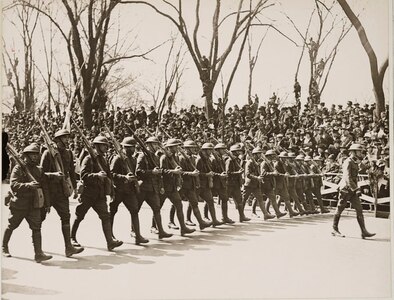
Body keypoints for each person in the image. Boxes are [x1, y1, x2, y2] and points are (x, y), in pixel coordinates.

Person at [2, 143, 63, 262]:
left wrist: (47, 204)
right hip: (20, 204)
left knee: (37, 227)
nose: (34, 157)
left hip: (34, 204)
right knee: (12, 225)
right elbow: (14, 185)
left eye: (36, 155)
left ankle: (38, 253)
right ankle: (4, 247)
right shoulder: (18, 168)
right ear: (26, 156)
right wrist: (28, 185)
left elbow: (44, 187)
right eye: (32, 155)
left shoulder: (38, 169)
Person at [70, 136, 123, 251]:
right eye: (104, 145)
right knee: (79, 216)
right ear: (97, 146)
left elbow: (109, 176)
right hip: (88, 193)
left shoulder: (103, 159)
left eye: (106, 145)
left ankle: (110, 242)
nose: (106, 147)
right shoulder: (88, 159)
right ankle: (71, 238)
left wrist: (112, 191)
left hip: (100, 194)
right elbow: (83, 175)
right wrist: (97, 175)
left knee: (105, 216)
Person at [40, 129, 84, 257]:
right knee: (39, 219)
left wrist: (75, 188)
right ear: (57, 140)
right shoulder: (47, 153)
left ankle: (68, 248)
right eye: (64, 138)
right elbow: (41, 174)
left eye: (67, 137)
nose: (67, 140)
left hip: (61, 192)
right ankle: (38, 250)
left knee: (66, 217)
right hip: (48, 191)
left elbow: (71, 171)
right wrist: (53, 175)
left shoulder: (68, 153)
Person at [109, 137, 149, 245]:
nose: (133, 149)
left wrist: (136, 180)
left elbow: (135, 173)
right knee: (112, 212)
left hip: (129, 190)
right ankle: (110, 236)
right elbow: (111, 174)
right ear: (125, 148)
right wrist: (124, 177)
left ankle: (137, 235)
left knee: (134, 211)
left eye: (133, 147)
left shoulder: (133, 159)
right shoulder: (117, 158)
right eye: (131, 147)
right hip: (118, 189)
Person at [332, 143, 376, 239]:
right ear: (353, 152)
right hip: (346, 189)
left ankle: (363, 231)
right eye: (359, 151)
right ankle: (334, 229)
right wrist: (355, 188)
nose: (361, 152)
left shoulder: (355, 161)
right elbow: (347, 177)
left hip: (352, 190)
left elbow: (359, 171)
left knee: (359, 209)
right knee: (340, 209)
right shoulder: (348, 161)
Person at [135, 136, 173, 239]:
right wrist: (151, 172)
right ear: (149, 145)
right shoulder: (142, 156)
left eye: (157, 144)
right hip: (143, 187)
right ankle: (134, 231)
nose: (157, 146)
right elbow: (138, 172)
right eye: (155, 144)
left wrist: (161, 186)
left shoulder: (155, 157)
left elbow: (159, 173)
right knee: (136, 209)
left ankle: (161, 231)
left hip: (153, 188)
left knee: (157, 208)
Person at [156, 138, 195, 236]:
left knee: (179, 205)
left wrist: (177, 171)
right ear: (170, 147)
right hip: (164, 187)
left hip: (173, 186)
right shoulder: (164, 157)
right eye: (175, 146)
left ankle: (183, 228)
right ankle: (154, 227)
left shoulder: (175, 157)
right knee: (157, 207)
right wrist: (174, 171)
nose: (177, 148)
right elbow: (162, 171)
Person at [178, 140, 212, 230]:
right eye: (192, 147)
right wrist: (191, 174)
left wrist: (195, 180)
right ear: (187, 149)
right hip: (182, 184)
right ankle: (171, 221)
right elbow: (180, 173)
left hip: (190, 185)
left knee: (194, 203)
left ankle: (201, 223)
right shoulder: (181, 158)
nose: (194, 149)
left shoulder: (192, 158)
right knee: (176, 204)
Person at [243, 147, 275, 220]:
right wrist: (257, 178)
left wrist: (259, 177)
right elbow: (247, 174)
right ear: (254, 155)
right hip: (249, 184)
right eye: (259, 154)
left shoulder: (256, 163)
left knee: (260, 199)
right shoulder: (249, 162)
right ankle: (241, 215)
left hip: (256, 184)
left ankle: (265, 214)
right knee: (243, 200)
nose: (260, 155)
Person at [196, 143, 223, 226]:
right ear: (205, 150)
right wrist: (206, 174)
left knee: (210, 201)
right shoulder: (199, 159)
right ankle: (188, 219)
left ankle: (214, 220)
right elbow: (197, 173)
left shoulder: (207, 159)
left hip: (206, 184)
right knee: (193, 203)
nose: (211, 151)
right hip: (199, 184)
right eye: (209, 150)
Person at [225, 144, 250, 222]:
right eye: (237, 151)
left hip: (236, 184)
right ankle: (225, 217)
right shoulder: (229, 160)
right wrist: (238, 173)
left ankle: (242, 216)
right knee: (225, 200)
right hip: (229, 184)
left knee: (239, 201)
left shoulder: (237, 160)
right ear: (234, 152)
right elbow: (228, 173)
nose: (239, 152)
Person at [211, 143, 234, 224]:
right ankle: (206, 217)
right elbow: (211, 172)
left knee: (224, 199)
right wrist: (219, 175)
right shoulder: (213, 159)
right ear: (217, 150)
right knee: (209, 201)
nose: (224, 151)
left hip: (221, 183)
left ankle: (225, 217)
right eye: (222, 149)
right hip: (214, 182)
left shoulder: (221, 158)